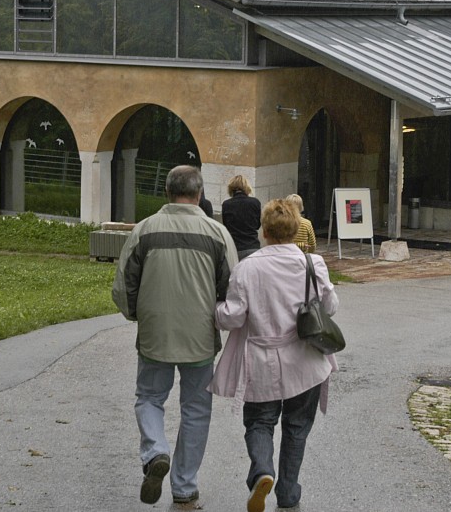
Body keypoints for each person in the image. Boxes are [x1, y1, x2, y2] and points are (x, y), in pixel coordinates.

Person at [112, 165, 239, 507]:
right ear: (199, 195)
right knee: (196, 408)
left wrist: (138, 314)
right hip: (199, 335)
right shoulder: (217, 233)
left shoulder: (144, 230)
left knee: (149, 397)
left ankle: (155, 451)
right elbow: (231, 288)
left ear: (167, 192)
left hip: (155, 334)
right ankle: (184, 486)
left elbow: (124, 285)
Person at [210, 198, 339, 512]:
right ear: (296, 230)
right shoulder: (313, 264)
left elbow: (233, 317)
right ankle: (288, 492)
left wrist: (215, 311)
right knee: (297, 427)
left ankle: (262, 471)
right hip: (306, 360)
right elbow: (331, 307)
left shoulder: (248, 268)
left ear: (263, 231)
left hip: (262, 360)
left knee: (259, 423)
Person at [221, 174, 263, 259]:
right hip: (252, 247)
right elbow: (258, 225)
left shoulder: (226, 204)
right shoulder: (255, 202)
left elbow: (226, 226)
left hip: (234, 249)